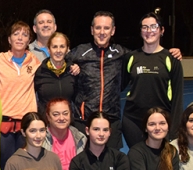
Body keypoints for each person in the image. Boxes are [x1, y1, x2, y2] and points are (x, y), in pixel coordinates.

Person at [69, 11, 182, 148]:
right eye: (98, 28)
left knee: (112, 164)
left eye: (106, 28)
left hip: (112, 120)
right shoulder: (79, 52)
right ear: (92, 30)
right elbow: (59, 62)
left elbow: (127, 77)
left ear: (113, 31)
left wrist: (174, 52)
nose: (102, 32)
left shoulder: (124, 54)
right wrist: (71, 66)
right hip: (83, 120)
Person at [121, 13, 184, 148]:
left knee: (159, 164)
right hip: (133, 121)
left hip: (160, 121)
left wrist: (174, 130)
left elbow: (178, 97)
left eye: (154, 27)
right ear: (140, 31)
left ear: (162, 31)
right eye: (145, 27)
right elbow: (117, 86)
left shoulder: (171, 59)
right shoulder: (131, 57)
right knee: (138, 161)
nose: (149, 31)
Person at [0, 21, 40, 169]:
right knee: (6, 166)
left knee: (26, 167)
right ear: (9, 39)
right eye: (16, 34)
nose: (20, 38)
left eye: (24, 35)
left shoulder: (35, 61)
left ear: (29, 40)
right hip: (4, 123)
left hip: (27, 123)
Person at [42, 98, 86, 170]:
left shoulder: (81, 139)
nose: (61, 118)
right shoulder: (40, 141)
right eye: (56, 114)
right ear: (48, 117)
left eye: (65, 113)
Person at [34, 32, 76, 115]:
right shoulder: (40, 71)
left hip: (67, 122)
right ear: (49, 50)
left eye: (62, 46)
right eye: (54, 47)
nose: (58, 51)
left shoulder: (73, 71)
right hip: (45, 123)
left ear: (67, 49)